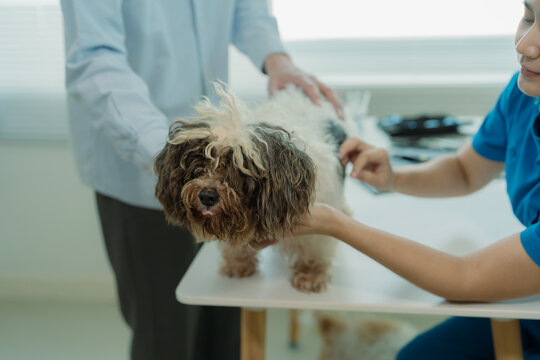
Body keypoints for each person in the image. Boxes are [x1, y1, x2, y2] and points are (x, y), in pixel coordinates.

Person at [59, 1, 343, 359]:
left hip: (224, 167)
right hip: (142, 169)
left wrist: (277, 60)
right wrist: (172, 157)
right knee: (166, 334)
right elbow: (95, 60)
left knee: (227, 324)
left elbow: (247, 9)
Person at [292, 1, 540, 358]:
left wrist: (335, 224)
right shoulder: (523, 94)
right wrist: (394, 178)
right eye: (529, 16)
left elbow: (464, 278)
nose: (524, 44)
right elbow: (464, 171)